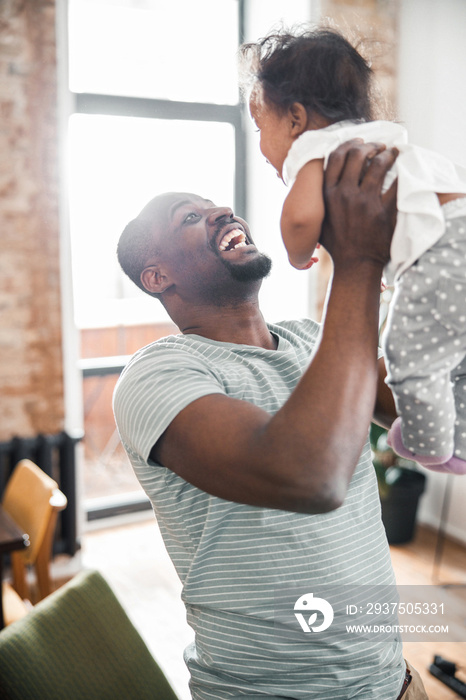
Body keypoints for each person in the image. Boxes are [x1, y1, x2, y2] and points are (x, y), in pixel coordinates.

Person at [113, 141, 428, 700]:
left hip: (393, 684)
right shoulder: (157, 375)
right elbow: (308, 474)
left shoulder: (312, 342)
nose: (220, 212)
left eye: (215, 205)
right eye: (189, 216)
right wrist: (357, 262)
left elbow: (431, 411)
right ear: (158, 277)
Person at [240, 26, 466, 475]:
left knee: (409, 354)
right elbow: (402, 214)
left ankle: (434, 443)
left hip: (446, 255)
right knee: (451, 354)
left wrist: (297, 253)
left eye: (258, 126)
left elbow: (300, 220)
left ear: (296, 119)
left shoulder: (316, 150)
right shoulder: (380, 140)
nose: (261, 145)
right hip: (452, 234)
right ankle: (457, 430)